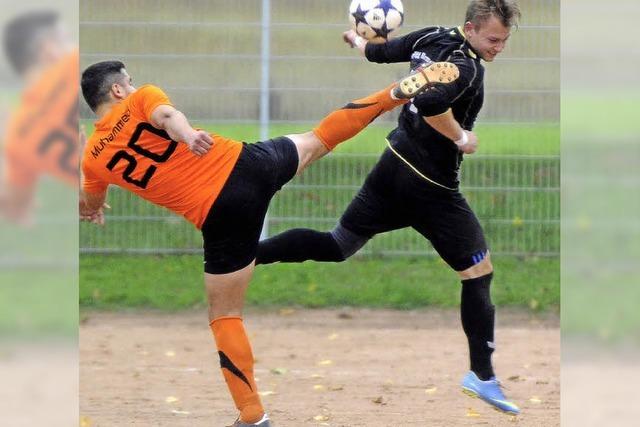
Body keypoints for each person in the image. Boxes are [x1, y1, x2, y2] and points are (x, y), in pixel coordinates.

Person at [79, 59, 459, 426]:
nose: (132, 84)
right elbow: (167, 116)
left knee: (225, 316)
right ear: (117, 88)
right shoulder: (142, 97)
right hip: (245, 166)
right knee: (319, 137)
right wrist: (189, 134)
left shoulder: (93, 159)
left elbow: (89, 202)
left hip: (220, 216)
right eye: (128, 81)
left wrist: (91, 206)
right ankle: (393, 94)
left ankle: (252, 415)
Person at [256, 0, 522, 416]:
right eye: (492, 39)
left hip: (392, 165)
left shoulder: (433, 36)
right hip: (430, 186)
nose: (499, 47)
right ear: (470, 28)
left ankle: (248, 254)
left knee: (338, 244)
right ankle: (482, 376)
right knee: (478, 271)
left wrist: (357, 40)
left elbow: (380, 52)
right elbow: (434, 105)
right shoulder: (466, 67)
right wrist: (461, 137)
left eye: (504, 41)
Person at [0, 11, 79, 225]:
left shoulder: (17, 137)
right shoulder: (72, 65)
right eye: (67, 39)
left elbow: (17, 212)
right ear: (49, 48)